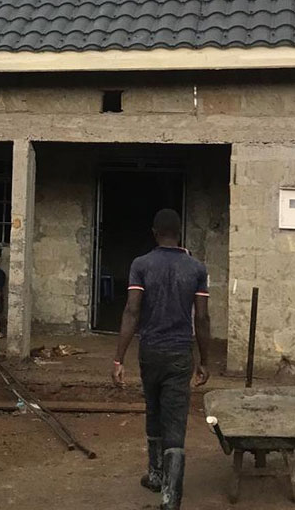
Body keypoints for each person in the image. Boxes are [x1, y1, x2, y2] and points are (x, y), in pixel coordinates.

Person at [111, 208, 212, 510]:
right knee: (175, 419)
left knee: (153, 410)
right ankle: (170, 496)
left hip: (150, 351)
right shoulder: (196, 269)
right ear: (179, 233)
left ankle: (155, 475)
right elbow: (202, 318)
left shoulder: (141, 264)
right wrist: (204, 360)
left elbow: (132, 311)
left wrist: (118, 359)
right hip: (180, 353)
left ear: (154, 233)